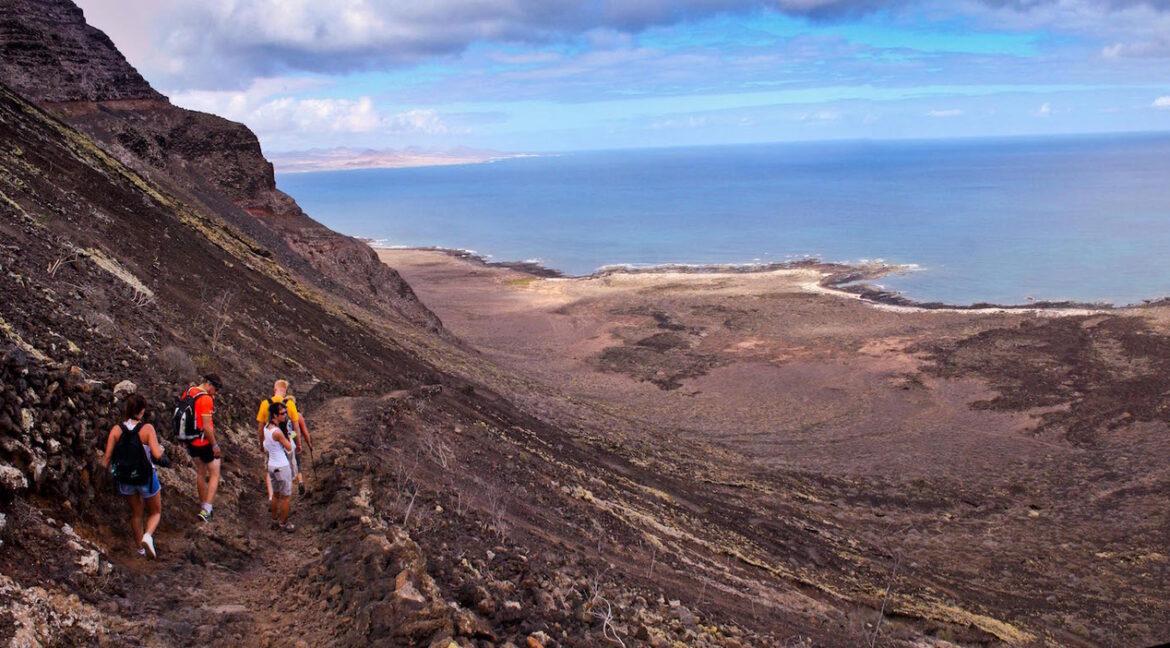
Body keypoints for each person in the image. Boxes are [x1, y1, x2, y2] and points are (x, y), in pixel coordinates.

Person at [103, 393, 169, 558]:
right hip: (145, 477)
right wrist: (165, 457)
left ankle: (140, 550)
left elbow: (106, 459)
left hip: (125, 479)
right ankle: (148, 536)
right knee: (155, 512)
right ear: (142, 410)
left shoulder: (116, 430)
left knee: (136, 513)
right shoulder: (147, 429)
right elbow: (157, 455)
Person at [255, 379, 312, 497]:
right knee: (289, 466)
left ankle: (273, 494)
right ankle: (289, 489)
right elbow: (296, 428)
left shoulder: (265, 403)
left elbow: (260, 428)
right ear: (285, 391)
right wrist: (298, 444)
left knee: (270, 468)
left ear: (274, 389)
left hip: (270, 441)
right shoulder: (289, 404)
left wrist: (261, 444)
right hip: (286, 441)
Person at [182, 374, 222, 522]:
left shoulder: (189, 391)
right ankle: (207, 510)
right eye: (216, 389)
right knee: (215, 472)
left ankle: (203, 505)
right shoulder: (206, 399)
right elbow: (207, 427)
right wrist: (215, 445)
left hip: (190, 440)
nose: (216, 393)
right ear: (209, 384)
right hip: (203, 441)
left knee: (200, 472)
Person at [263, 402, 295, 531]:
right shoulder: (277, 432)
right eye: (282, 413)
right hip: (282, 466)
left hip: (272, 465)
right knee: (286, 497)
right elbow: (289, 447)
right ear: (275, 415)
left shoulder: (267, 427)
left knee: (275, 495)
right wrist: (290, 435)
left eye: (285, 412)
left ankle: (274, 520)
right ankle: (283, 523)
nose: (285, 415)